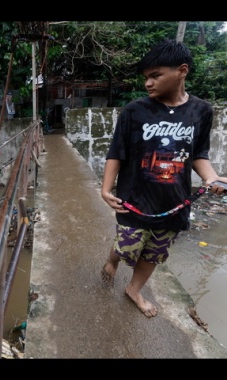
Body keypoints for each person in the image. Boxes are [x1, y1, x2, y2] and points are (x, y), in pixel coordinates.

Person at [100, 39, 227, 318]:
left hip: (174, 202)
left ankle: (134, 290)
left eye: (155, 75)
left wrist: (212, 178)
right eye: (146, 77)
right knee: (127, 244)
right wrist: (105, 188)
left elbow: (198, 154)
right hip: (134, 200)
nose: (148, 83)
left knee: (155, 252)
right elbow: (116, 152)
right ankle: (113, 261)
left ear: (181, 71)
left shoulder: (201, 111)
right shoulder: (134, 110)